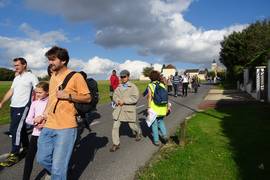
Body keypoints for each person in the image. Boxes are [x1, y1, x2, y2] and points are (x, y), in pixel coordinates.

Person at [35, 46, 91, 179]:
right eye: (49, 60)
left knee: (58, 168)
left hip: (66, 127)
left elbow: (87, 97)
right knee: (42, 158)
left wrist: (68, 96)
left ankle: (59, 174)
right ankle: (59, 174)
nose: (50, 63)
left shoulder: (76, 76)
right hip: (49, 124)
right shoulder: (53, 76)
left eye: (53, 60)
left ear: (63, 60)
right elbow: (52, 100)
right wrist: (43, 115)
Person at [0, 58, 39, 167]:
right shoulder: (16, 78)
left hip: (23, 106)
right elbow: (11, 91)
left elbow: (37, 91)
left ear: (24, 65)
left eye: (17, 65)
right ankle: (27, 147)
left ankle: (14, 153)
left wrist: (36, 107)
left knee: (14, 129)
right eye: (14, 65)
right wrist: (2, 102)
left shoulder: (31, 76)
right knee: (20, 128)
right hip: (14, 106)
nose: (15, 67)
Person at [22, 82, 49, 180]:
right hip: (36, 134)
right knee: (29, 158)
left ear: (47, 92)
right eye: (36, 92)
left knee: (45, 158)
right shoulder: (34, 103)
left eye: (40, 92)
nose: (37, 95)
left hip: (48, 134)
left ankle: (51, 172)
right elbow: (28, 119)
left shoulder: (51, 102)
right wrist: (35, 122)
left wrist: (45, 124)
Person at [110, 70, 142, 152]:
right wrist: (117, 101)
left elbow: (135, 98)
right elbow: (115, 96)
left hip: (128, 110)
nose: (123, 78)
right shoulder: (119, 87)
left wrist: (124, 101)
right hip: (119, 110)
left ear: (128, 76)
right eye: (121, 77)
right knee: (115, 127)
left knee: (132, 126)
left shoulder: (133, 87)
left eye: (124, 76)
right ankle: (116, 144)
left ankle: (138, 132)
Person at [147, 70, 168, 146]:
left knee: (154, 124)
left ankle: (156, 141)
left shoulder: (150, 85)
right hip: (162, 107)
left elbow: (149, 97)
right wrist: (167, 107)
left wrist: (148, 107)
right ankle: (165, 135)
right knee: (161, 122)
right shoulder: (162, 85)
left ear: (151, 77)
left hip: (154, 107)